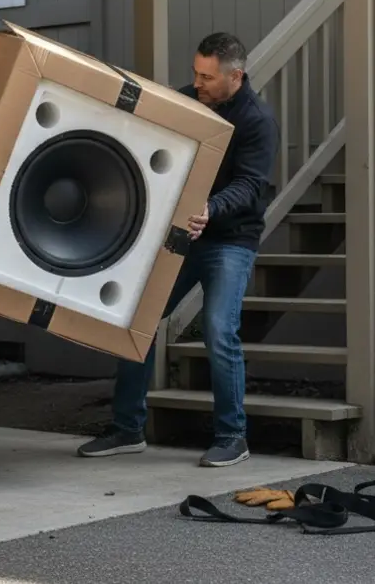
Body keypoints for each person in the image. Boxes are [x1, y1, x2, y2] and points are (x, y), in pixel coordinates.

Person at [77, 31, 279, 468]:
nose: (197, 83)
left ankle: (233, 437)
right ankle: (127, 428)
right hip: (182, 236)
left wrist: (211, 208)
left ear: (236, 77)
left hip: (230, 240)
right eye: (195, 73)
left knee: (218, 329)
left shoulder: (257, 120)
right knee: (138, 318)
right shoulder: (188, 101)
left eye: (207, 77)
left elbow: (251, 185)